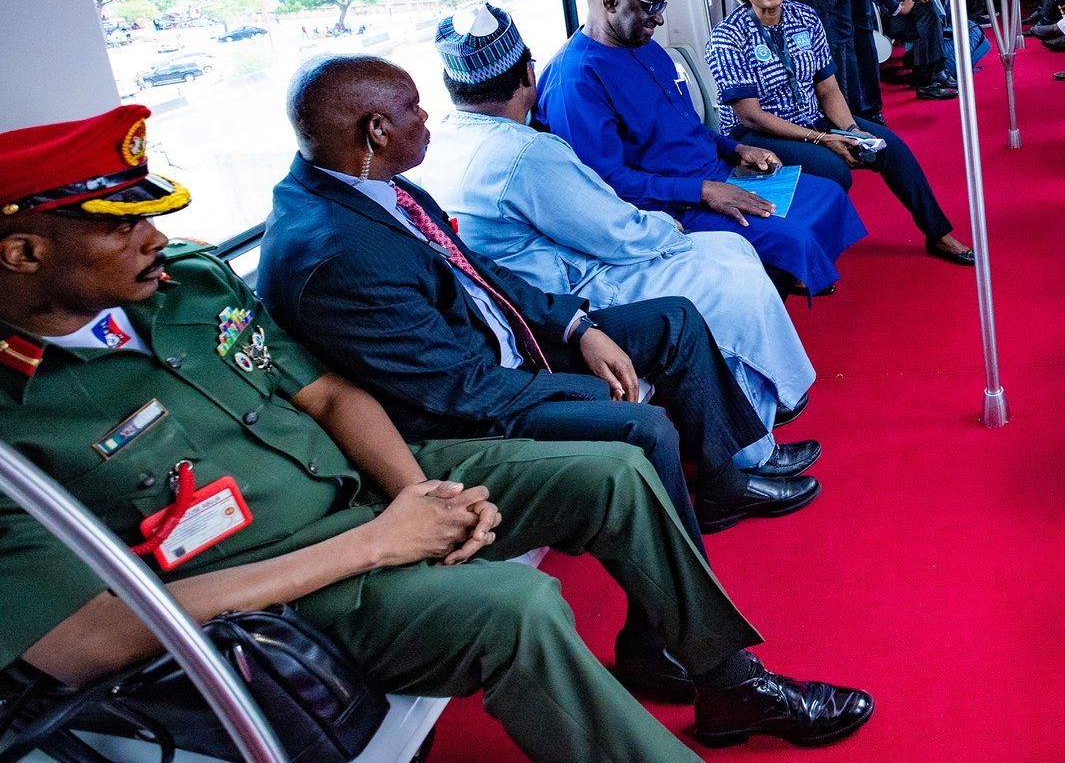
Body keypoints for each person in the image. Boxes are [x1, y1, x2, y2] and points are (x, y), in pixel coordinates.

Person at [0, 106, 871, 753]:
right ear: (23, 251)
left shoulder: (187, 286)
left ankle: (728, 684)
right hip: (278, 587)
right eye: (121, 226)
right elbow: (88, 640)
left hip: (371, 485)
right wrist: (381, 543)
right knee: (519, 605)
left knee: (614, 468)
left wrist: (413, 491)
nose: (156, 237)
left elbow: (330, 397)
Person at [258, 55, 824, 544]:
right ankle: (680, 571)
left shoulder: (382, 188)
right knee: (645, 427)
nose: (428, 116)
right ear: (377, 129)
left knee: (675, 319)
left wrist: (579, 327)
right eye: (413, 107)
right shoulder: (335, 252)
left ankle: (726, 485)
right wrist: (585, 386)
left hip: (504, 343)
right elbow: (453, 389)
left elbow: (482, 272)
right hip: (469, 403)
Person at [412, 2, 816, 440]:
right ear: (528, 73)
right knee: (726, 273)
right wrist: (668, 228)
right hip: (571, 293)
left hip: (537, 289)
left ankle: (769, 398)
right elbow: (614, 233)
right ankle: (761, 427)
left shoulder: (441, 146)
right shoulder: (524, 153)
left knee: (730, 251)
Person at [537, 0, 865, 295]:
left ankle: (789, 275)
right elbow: (604, 185)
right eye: (650, 6)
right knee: (792, 233)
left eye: (662, 6)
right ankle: (767, 298)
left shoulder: (646, 47)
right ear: (610, 0)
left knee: (827, 193)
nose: (660, 19)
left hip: (715, 171)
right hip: (671, 203)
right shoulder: (576, 80)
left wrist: (737, 149)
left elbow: (688, 127)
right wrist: (703, 191)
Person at [708, 0, 974, 266]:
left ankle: (938, 233)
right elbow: (750, 116)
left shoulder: (803, 17)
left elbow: (828, 88)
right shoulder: (728, 36)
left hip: (811, 117)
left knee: (891, 148)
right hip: (757, 134)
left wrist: (849, 130)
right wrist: (823, 139)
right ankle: (802, 255)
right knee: (835, 171)